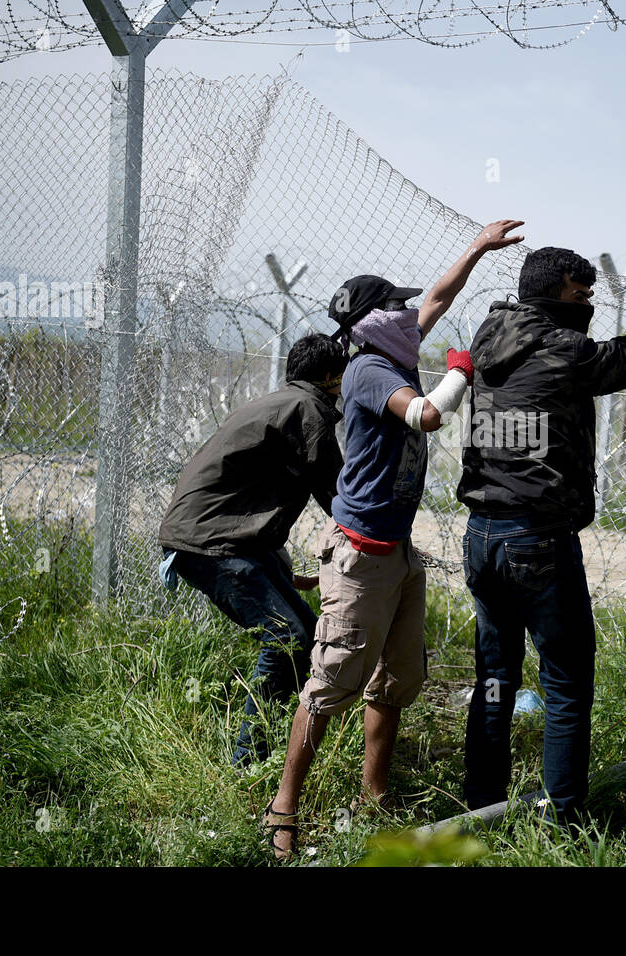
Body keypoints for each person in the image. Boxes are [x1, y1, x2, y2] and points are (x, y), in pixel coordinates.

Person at [261, 219, 526, 860]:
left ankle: (372, 797)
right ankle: (282, 809)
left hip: (398, 554)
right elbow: (429, 415)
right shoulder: (370, 373)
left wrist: (475, 250)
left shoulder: (394, 352)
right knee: (330, 685)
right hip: (361, 557)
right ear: (370, 321)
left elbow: (434, 300)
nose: (410, 312)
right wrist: (460, 370)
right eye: (395, 305)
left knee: (395, 680)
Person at [456, 245, 626, 828]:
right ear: (557, 289)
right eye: (581, 294)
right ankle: (565, 823)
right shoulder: (561, 349)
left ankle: (480, 806)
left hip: (482, 533)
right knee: (564, 684)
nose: (587, 304)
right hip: (536, 539)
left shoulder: (490, 336)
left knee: (495, 676)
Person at [157, 332, 348, 766]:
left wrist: (280, 571)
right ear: (328, 376)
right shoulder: (309, 410)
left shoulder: (283, 402)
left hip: (218, 537)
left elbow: (250, 496)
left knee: (306, 633)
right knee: (286, 637)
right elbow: (337, 495)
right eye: (344, 374)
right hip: (212, 543)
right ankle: (247, 760)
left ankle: (274, 744)